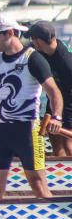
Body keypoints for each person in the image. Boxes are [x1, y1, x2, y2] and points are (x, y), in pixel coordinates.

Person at [0, 15, 64, 201]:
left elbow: (54, 92)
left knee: (38, 185)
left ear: (10, 33)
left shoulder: (33, 59)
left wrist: (56, 117)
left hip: (27, 130)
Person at [28, 20, 72, 156]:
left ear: (39, 41)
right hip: (54, 103)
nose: (31, 43)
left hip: (70, 105)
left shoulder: (66, 60)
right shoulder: (42, 53)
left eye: (32, 39)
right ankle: (63, 174)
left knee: (68, 146)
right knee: (57, 147)